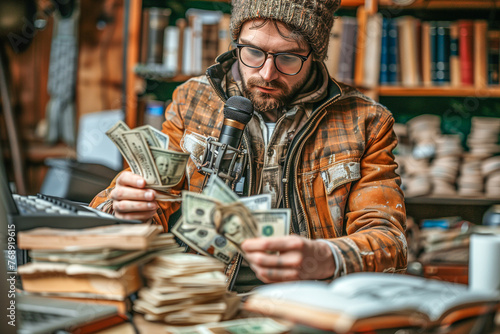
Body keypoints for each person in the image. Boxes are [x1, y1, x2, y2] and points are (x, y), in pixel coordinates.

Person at [90, 0, 407, 289]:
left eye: (288, 57)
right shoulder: (192, 100)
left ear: (316, 54)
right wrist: (125, 209)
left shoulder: (367, 121)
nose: (267, 74)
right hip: (198, 296)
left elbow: (389, 241)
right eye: (253, 52)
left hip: (310, 304)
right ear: (236, 42)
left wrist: (325, 256)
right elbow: (143, 203)